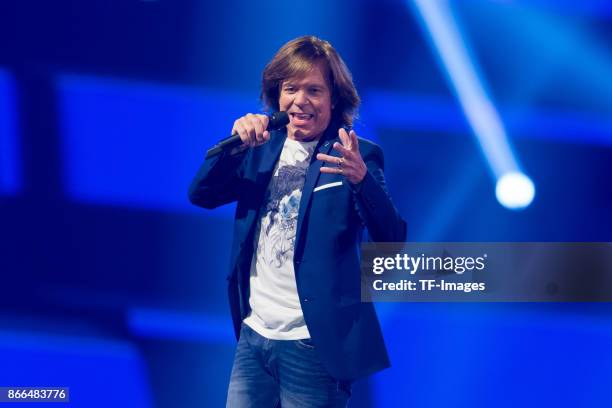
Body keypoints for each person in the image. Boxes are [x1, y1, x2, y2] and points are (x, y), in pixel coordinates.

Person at [189, 35, 406, 408]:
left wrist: (360, 180)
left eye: (314, 90)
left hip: (314, 345)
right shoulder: (260, 147)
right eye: (291, 89)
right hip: (254, 335)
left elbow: (391, 239)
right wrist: (236, 145)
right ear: (277, 93)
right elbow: (202, 195)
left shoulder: (355, 156)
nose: (300, 101)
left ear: (333, 98)